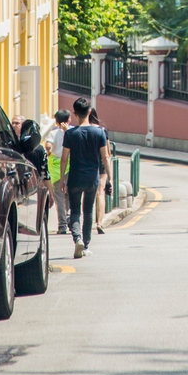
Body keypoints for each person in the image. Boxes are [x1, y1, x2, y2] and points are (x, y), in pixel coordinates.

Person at [59, 97, 112, 258]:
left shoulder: (70, 133)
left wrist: (62, 178)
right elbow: (105, 157)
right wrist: (110, 177)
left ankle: (77, 239)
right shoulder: (100, 132)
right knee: (88, 211)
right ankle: (86, 245)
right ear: (90, 111)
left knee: (75, 210)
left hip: (75, 177)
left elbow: (64, 158)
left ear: (74, 114)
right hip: (92, 178)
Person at [46, 109, 71, 234]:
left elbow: (48, 146)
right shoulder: (71, 131)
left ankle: (62, 225)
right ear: (69, 119)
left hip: (56, 169)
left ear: (56, 121)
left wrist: (49, 151)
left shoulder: (53, 133)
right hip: (71, 166)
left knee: (59, 198)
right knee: (70, 195)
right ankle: (71, 218)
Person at [89, 107, 110, 235]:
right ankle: (100, 223)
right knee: (100, 193)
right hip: (101, 163)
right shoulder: (102, 131)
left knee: (87, 193)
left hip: (87, 163)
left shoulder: (80, 130)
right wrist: (111, 176)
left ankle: (86, 222)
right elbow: (107, 153)